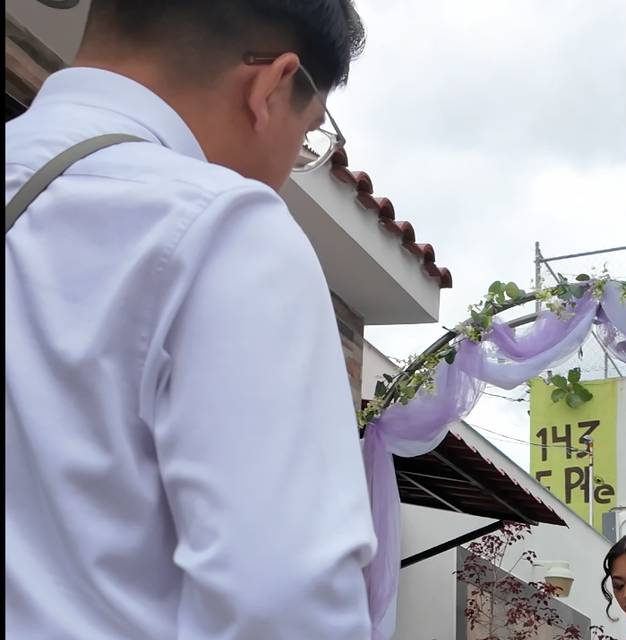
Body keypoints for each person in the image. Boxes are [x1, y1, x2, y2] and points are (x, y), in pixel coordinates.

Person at [5, 1, 376, 638]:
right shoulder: (224, 229)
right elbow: (284, 604)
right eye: (309, 134)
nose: (293, 165)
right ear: (272, 84)